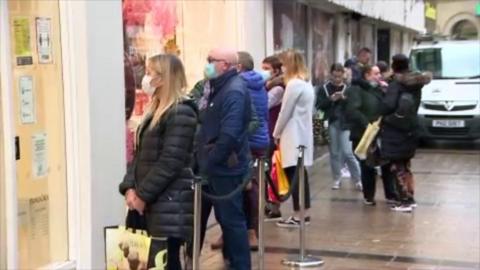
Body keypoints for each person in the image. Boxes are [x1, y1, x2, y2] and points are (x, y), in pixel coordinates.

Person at [119, 54, 198, 270]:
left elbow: (170, 162)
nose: (145, 78)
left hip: (168, 204)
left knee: (165, 261)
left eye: (149, 73)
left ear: (163, 79)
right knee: (139, 263)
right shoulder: (154, 111)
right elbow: (140, 155)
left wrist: (143, 195)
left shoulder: (181, 111)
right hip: (146, 202)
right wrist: (129, 188)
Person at [195, 47, 252, 269]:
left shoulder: (233, 90)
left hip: (225, 167)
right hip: (215, 165)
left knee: (232, 222)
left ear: (225, 65)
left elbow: (229, 133)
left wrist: (210, 161)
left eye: (211, 60)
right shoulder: (216, 87)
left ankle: (240, 265)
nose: (207, 64)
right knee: (226, 221)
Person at [380, 54, 431, 212]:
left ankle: (405, 201)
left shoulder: (396, 85)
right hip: (411, 129)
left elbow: (388, 106)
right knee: (406, 165)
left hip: (395, 129)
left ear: (394, 65)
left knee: (397, 166)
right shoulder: (416, 84)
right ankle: (410, 197)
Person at [273, 49, 315, 228]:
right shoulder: (306, 83)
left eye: (283, 64)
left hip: (292, 133)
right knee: (299, 174)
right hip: (302, 132)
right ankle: (301, 213)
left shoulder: (293, 85)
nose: (281, 68)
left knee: (294, 175)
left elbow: (285, 111)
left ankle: (299, 214)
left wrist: (276, 133)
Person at [345, 64, 397, 206]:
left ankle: (390, 194)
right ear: (367, 76)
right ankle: (369, 196)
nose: (379, 76)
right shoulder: (356, 90)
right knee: (367, 166)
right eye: (376, 74)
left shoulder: (379, 89)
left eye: (379, 73)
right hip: (364, 134)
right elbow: (352, 111)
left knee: (386, 164)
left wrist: (386, 92)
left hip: (380, 132)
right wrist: (367, 124)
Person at [238, 51, 270, 249]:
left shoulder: (240, 84)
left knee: (248, 188)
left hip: (248, 141)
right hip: (260, 139)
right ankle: (242, 231)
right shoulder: (259, 84)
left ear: (238, 66)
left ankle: (251, 232)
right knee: (248, 187)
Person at [316, 63, 362, 191]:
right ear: (331, 75)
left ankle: (358, 179)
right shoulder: (324, 88)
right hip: (331, 122)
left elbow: (355, 105)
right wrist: (331, 99)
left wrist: (345, 99)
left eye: (339, 77)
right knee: (334, 153)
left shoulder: (348, 88)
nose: (337, 80)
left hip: (346, 123)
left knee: (348, 152)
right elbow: (319, 105)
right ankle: (337, 178)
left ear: (343, 75)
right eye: (335, 76)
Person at [261, 55, 285, 221]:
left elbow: (265, 104)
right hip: (267, 131)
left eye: (266, 68)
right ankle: (269, 204)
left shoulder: (278, 88)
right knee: (267, 170)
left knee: (271, 171)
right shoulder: (268, 85)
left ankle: (273, 204)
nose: (263, 72)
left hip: (272, 132)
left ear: (276, 70)